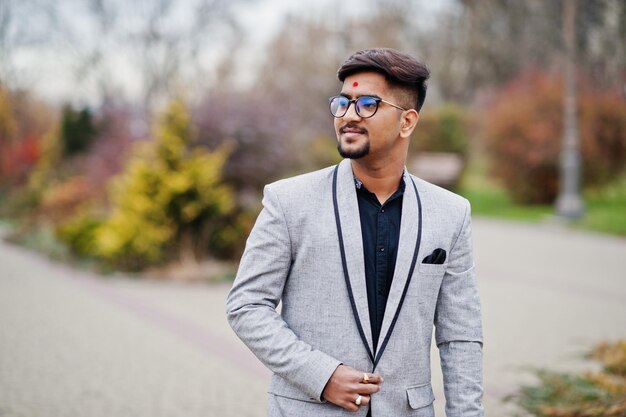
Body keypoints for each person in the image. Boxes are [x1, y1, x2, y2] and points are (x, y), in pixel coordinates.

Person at [226, 48, 483, 417]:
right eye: (342, 103)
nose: (348, 115)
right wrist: (322, 375)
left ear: (407, 122)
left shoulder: (451, 213)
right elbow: (247, 306)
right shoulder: (288, 201)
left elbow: (461, 334)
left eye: (367, 104)